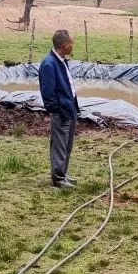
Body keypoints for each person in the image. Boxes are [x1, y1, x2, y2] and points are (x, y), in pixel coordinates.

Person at [39, 29, 80, 188]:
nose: (73, 46)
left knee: (67, 144)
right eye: (71, 43)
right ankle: (58, 178)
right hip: (61, 112)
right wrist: (57, 110)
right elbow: (47, 92)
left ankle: (63, 174)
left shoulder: (61, 60)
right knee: (59, 145)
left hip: (70, 109)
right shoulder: (49, 64)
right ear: (64, 45)